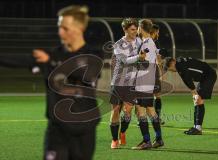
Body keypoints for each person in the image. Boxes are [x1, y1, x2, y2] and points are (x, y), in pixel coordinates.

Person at [0, 5, 103, 160]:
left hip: (84, 130)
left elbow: (86, 73)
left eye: (65, 28)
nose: (60, 32)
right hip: (57, 131)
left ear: (79, 29)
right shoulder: (52, 55)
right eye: (59, 27)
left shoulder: (93, 55)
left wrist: (52, 61)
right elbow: (20, 60)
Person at [109, 18, 145, 149]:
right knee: (115, 111)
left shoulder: (139, 41)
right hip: (118, 82)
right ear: (125, 30)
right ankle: (114, 140)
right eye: (132, 30)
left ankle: (122, 132)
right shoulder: (118, 44)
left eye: (136, 29)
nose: (135, 32)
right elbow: (124, 61)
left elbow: (146, 51)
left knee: (128, 111)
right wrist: (138, 58)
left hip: (132, 82)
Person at [163, 57, 217, 135]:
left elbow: (187, 79)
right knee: (196, 100)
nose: (170, 70)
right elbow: (186, 80)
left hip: (209, 75)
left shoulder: (179, 65)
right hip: (205, 77)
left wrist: (194, 92)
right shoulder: (179, 63)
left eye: (169, 68)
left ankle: (198, 129)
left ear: (172, 63)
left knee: (198, 99)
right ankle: (196, 127)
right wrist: (193, 92)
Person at [133, 19, 164, 150]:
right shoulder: (149, 42)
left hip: (144, 81)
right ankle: (159, 139)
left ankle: (147, 141)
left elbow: (144, 62)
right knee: (150, 110)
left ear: (141, 28)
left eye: (138, 28)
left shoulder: (147, 43)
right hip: (147, 80)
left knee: (140, 110)